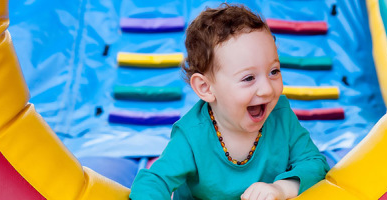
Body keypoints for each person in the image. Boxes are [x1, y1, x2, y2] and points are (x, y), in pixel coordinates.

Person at [129, 3, 329, 200]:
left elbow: (314, 162)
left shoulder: (280, 115)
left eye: (274, 71)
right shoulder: (192, 136)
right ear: (206, 88)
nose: (267, 89)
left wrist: (282, 188)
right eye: (248, 78)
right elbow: (153, 181)